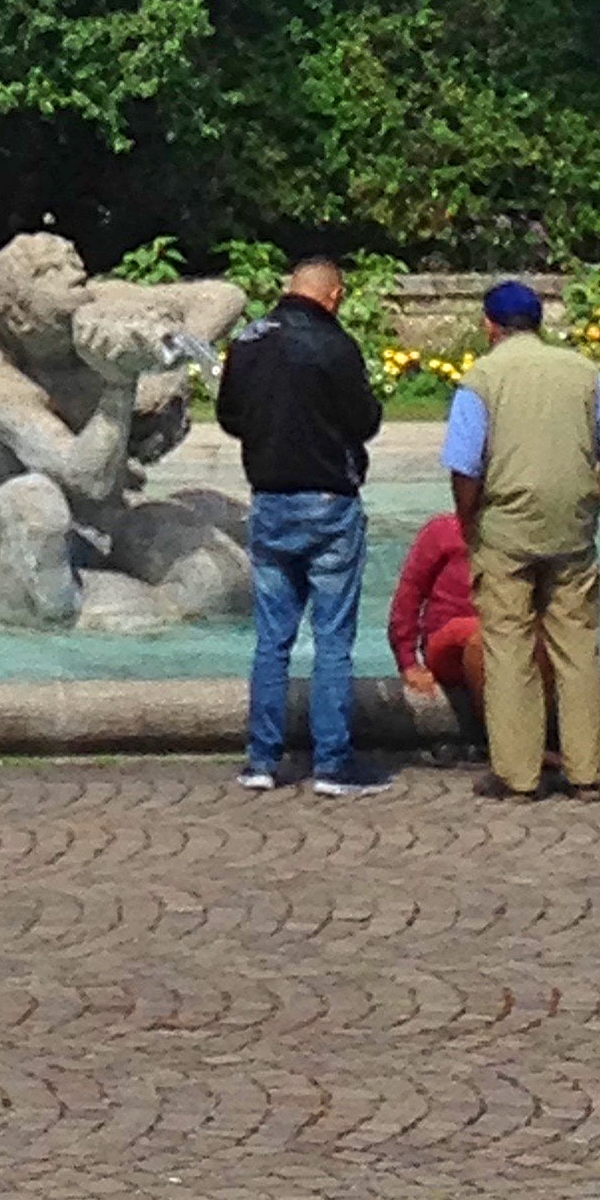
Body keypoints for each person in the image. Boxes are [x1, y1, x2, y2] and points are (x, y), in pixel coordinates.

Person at [444, 280, 600, 805]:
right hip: (572, 528)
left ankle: (518, 773)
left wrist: (468, 523)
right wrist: (592, 500)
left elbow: (465, 466)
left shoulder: (481, 379)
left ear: (490, 326)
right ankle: (586, 772)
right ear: (539, 322)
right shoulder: (584, 372)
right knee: (577, 648)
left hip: (505, 528)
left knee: (509, 649)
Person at [214, 258, 391, 798]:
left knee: (272, 640)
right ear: (332, 295)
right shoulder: (334, 346)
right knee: (332, 640)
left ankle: (262, 760)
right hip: (327, 499)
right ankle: (333, 765)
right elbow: (364, 421)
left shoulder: (248, 340)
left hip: (269, 498)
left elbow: (228, 415)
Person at [391, 510, 485, 706]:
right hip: (450, 638)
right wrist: (408, 663)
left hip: (505, 634)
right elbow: (410, 592)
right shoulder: (443, 531)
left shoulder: (520, 536)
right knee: (481, 637)